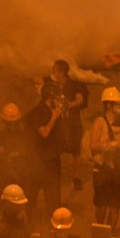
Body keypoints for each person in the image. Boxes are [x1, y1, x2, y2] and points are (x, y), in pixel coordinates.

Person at [90, 87, 120, 229]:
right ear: (109, 105)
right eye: (118, 104)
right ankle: (100, 230)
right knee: (102, 205)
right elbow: (94, 145)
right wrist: (116, 144)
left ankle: (112, 234)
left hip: (117, 171)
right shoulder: (99, 122)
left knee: (115, 206)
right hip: (102, 170)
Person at [24, 82, 67, 223]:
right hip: (41, 162)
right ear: (50, 97)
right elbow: (44, 133)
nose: (60, 99)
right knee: (33, 197)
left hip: (51, 160)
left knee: (53, 198)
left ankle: (52, 227)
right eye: (57, 96)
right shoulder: (40, 111)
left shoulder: (50, 109)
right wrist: (54, 117)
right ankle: (32, 227)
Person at [46, 60, 88, 192]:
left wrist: (68, 105)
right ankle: (54, 177)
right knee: (55, 150)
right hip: (58, 124)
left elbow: (80, 100)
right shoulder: (53, 87)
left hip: (72, 123)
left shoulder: (75, 85)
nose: (53, 73)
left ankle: (76, 178)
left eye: (55, 70)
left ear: (61, 72)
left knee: (75, 152)